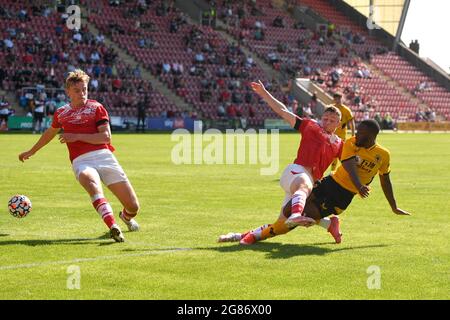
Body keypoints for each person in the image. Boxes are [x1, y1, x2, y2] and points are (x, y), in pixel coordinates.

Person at [223, 120, 411, 245]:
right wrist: (360, 185)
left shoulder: (383, 155)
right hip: (330, 183)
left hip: (343, 196)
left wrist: (393, 206)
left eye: (361, 133)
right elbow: (347, 164)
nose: (357, 135)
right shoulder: (352, 143)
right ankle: (330, 224)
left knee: (296, 221)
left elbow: (385, 179)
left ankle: (251, 237)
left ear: (372, 136)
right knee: (290, 212)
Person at [18, 69, 140, 242]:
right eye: (77, 90)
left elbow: (105, 137)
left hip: (104, 156)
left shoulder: (96, 107)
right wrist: (31, 151)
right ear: (68, 92)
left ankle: (126, 217)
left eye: (84, 89)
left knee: (133, 206)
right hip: (81, 161)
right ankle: (113, 225)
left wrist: (76, 136)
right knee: (91, 184)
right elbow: (50, 133)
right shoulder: (61, 113)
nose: (82, 93)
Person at [218, 80, 343, 245]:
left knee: (281, 226)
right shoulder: (310, 126)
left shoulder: (339, 144)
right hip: (296, 173)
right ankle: (297, 215)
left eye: (331, 121)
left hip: (307, 185)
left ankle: (243, 236)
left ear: (338, 124)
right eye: (325, 118)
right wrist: (264, 94)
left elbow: (350, 164)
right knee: (304, 186)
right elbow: (284, 111)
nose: (327, 122)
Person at [330, 92, 355, 171]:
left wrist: (353, 134)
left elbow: (351, 122)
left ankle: (344, 171)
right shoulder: (331, 109)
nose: (337, 100)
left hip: (342, 136)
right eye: (336, 98)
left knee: (342, 154)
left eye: (339, 98)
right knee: (332, 154)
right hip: (332, 135)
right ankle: (332, 171)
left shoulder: (346, 110)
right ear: (334, 99)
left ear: (342, 98)